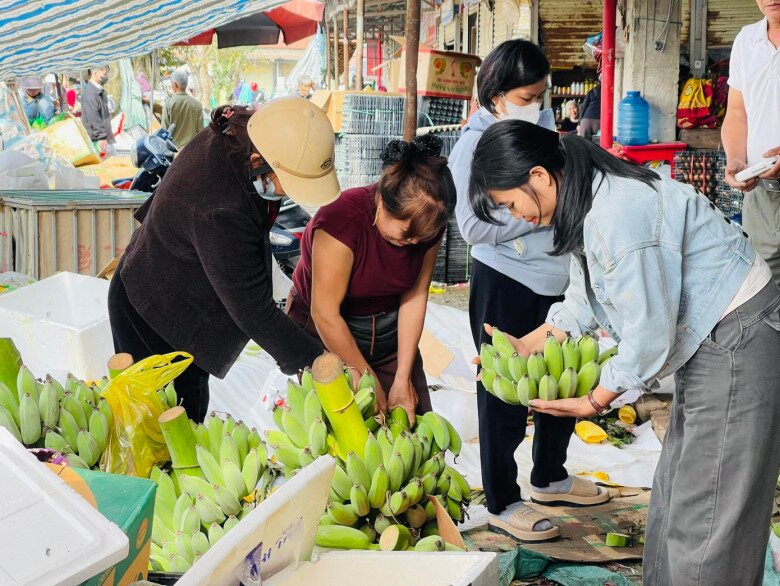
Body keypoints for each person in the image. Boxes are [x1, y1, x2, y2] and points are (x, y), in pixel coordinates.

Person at [469, 120, 780, 585]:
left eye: (510, 203)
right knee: (676, 499)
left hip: (737, 336)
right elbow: (584, 295)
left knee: (709, 514)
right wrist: (530, 343)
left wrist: (594, 401)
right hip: (707, 339)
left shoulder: (617, 211)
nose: (518, 217)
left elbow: (648, 336)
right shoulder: (585, 195)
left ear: (537, 176)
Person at [447, 39, 606, 544]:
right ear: (496, 95)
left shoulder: (538, 128)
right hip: (506, 282)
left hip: (559, 281)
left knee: (561, 378)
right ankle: (501, 500)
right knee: (504, 389)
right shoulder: (473, 145)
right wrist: (536, 217)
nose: (538, 103)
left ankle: (550, 478)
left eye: (542, 93)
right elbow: (472, 227)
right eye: (527, 94)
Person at [108, 97, 340, 423]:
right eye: (290, 184)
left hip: (171, 278)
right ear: (263, 160)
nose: (290, 195)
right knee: (172, 426)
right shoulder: (222, 208)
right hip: (153, 310)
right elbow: (253, 311)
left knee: (188, 402)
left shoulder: (240, 132)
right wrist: (315, 360)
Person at [287, 136, 455, 423]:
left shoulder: (427, 225)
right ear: (383, 201)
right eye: (406, 235)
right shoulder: (341, 221)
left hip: (389, 331)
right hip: (325, 328)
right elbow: (325, 313)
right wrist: (366, 377)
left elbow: (415, 297)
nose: (414, 243)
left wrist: (403, 376)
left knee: (410, 422)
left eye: (423, 238)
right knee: (341, 427)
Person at [722, 0, 780, 284]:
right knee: (764, 288)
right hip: (760, 193)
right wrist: (736, 158)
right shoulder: (747, 40)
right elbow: (736, 114)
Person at [161, 69, 205, 149]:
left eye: (171, 83)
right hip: (192, 149)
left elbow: (164, 132)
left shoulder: (168, 104)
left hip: (175, 151)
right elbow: (201, 132)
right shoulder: (197, 105)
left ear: (175, 85)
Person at [81, 66, 115, 154]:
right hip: (97, 139)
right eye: (104, 74)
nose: (105, 77)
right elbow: (93, 116)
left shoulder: (98, 90)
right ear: (95, 73)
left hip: (103, 136)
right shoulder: (90, 93)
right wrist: (101, 137)